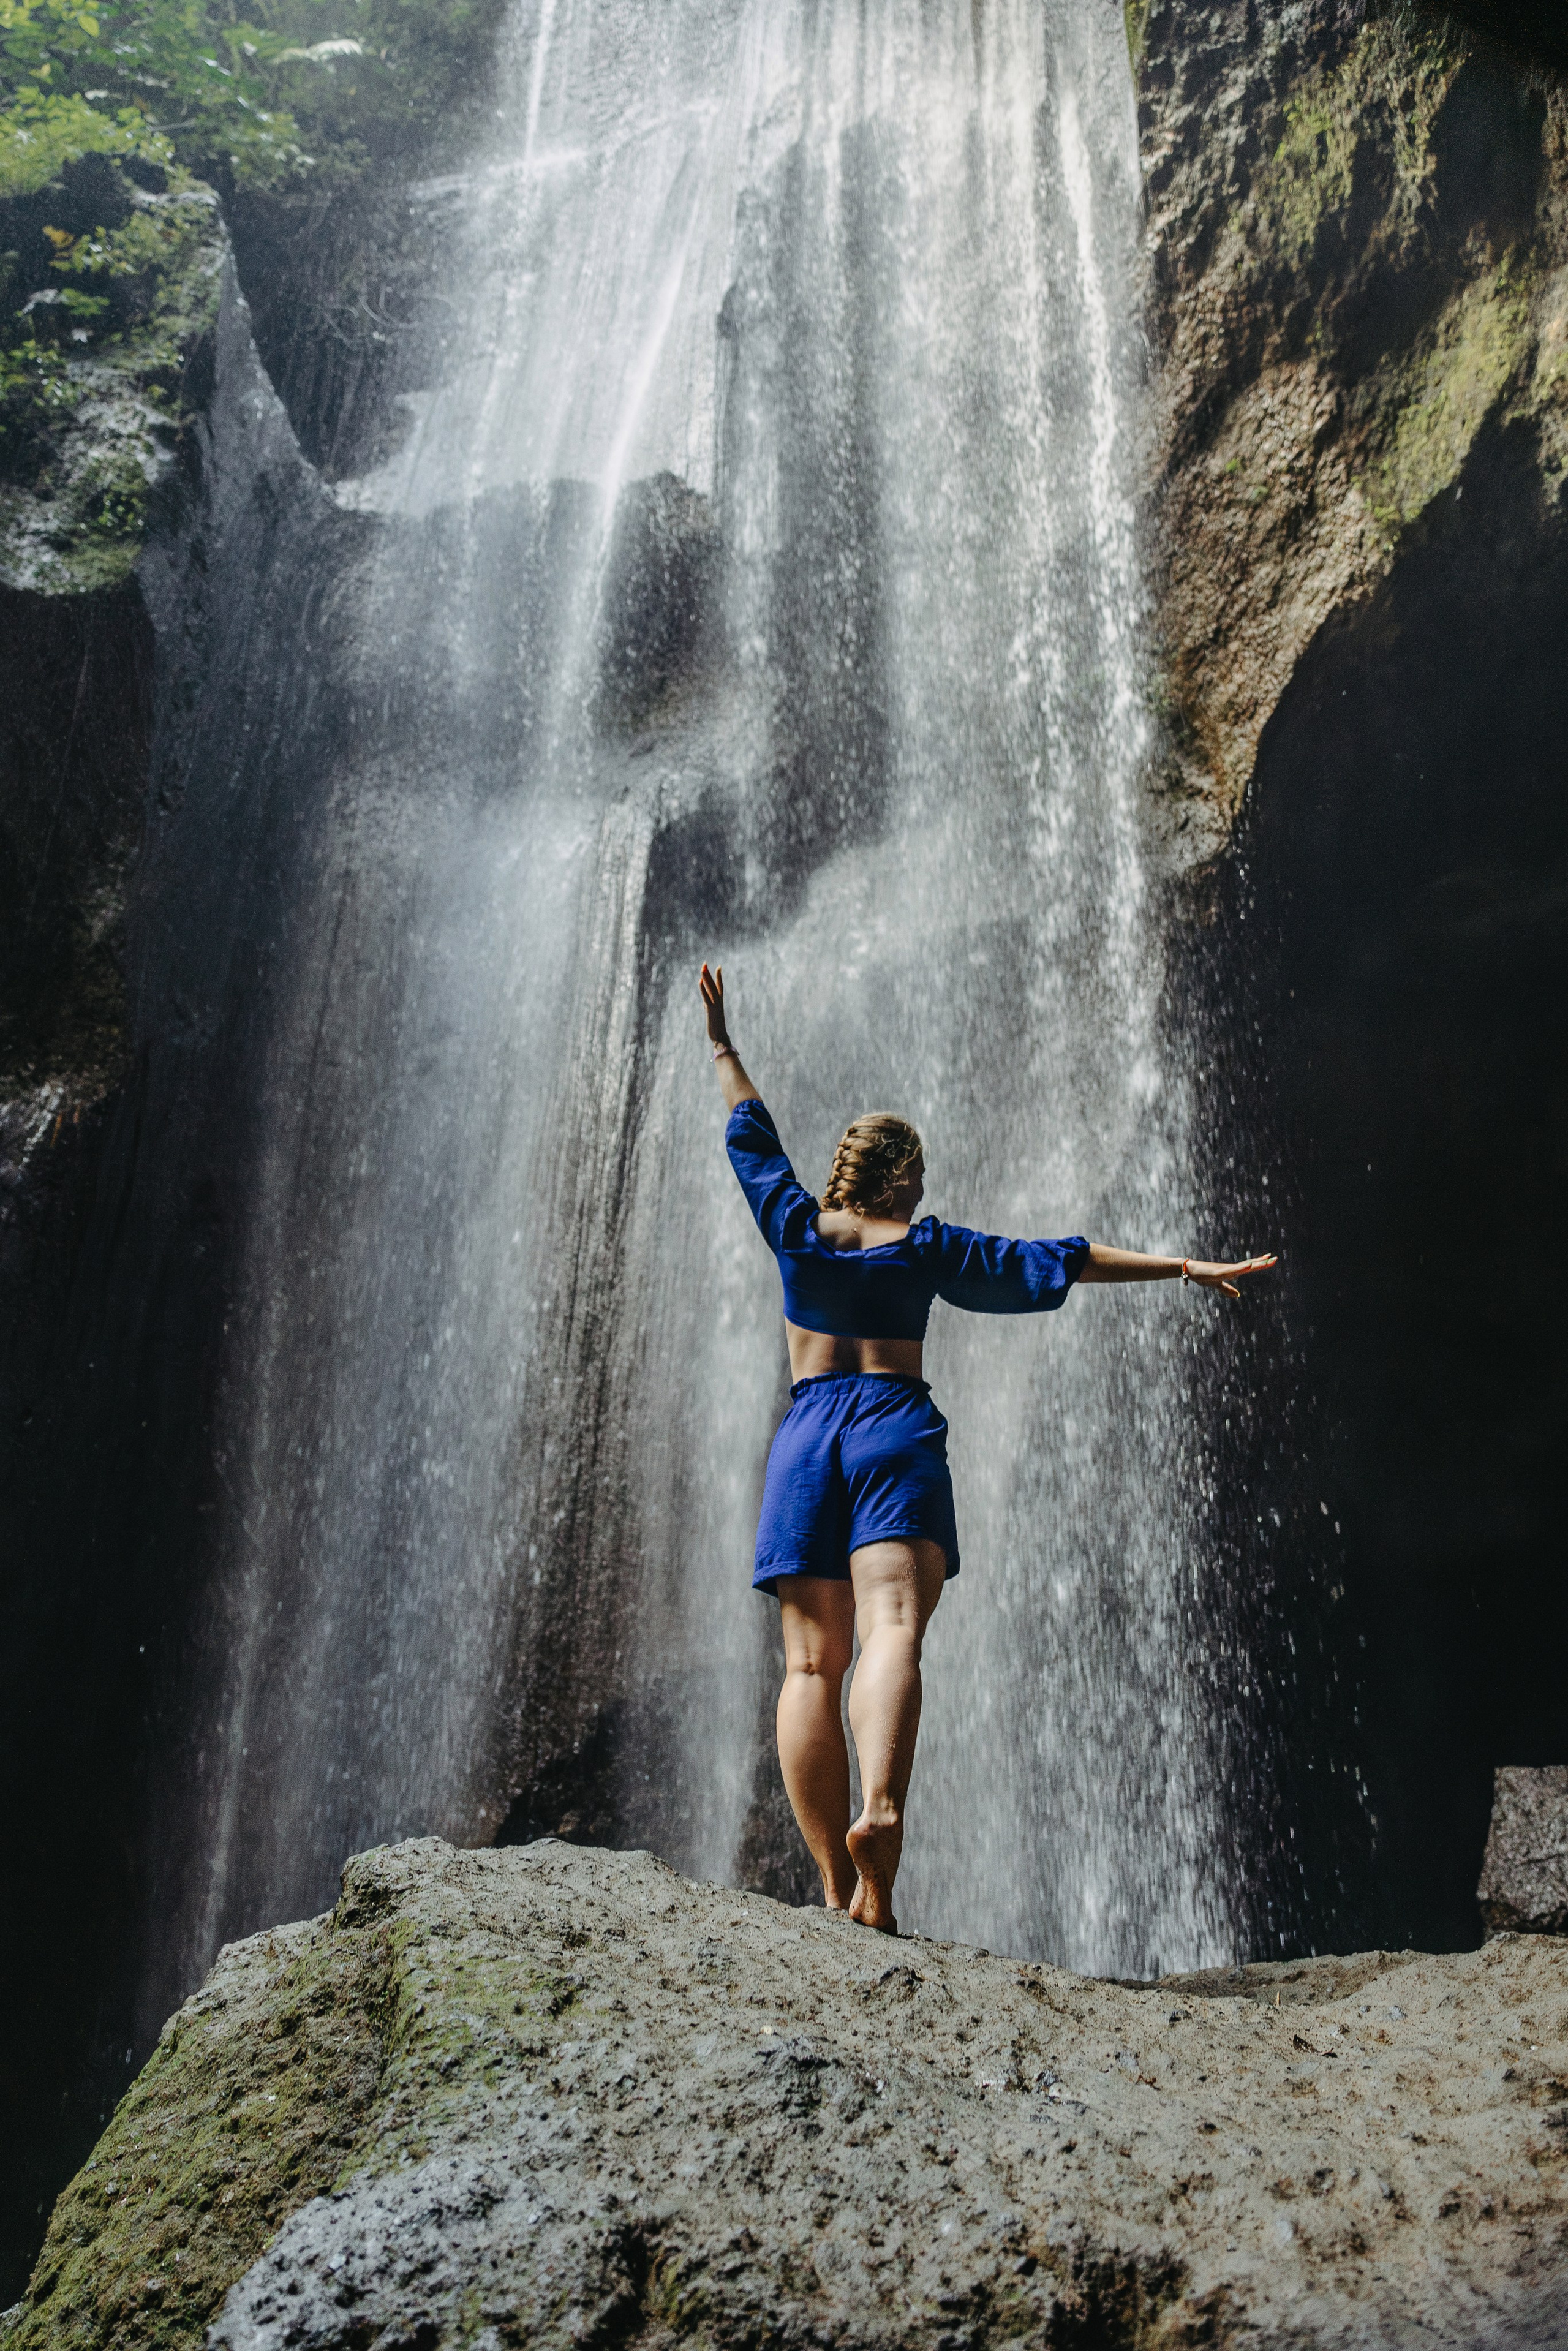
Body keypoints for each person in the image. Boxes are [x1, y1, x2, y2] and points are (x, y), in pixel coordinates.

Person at [699, 959, 1276, 1935]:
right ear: (905, 1175)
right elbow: (1061, 1261)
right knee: (892, 1631)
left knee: (807, 1666)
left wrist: (723, 1043)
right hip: (891, 1427)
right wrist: (1182, 1265)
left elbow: (750, 1130)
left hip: (806, 1437)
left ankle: (834, 1892)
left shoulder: (795, 1225)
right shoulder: (926, 1245)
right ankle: (879, 1821)